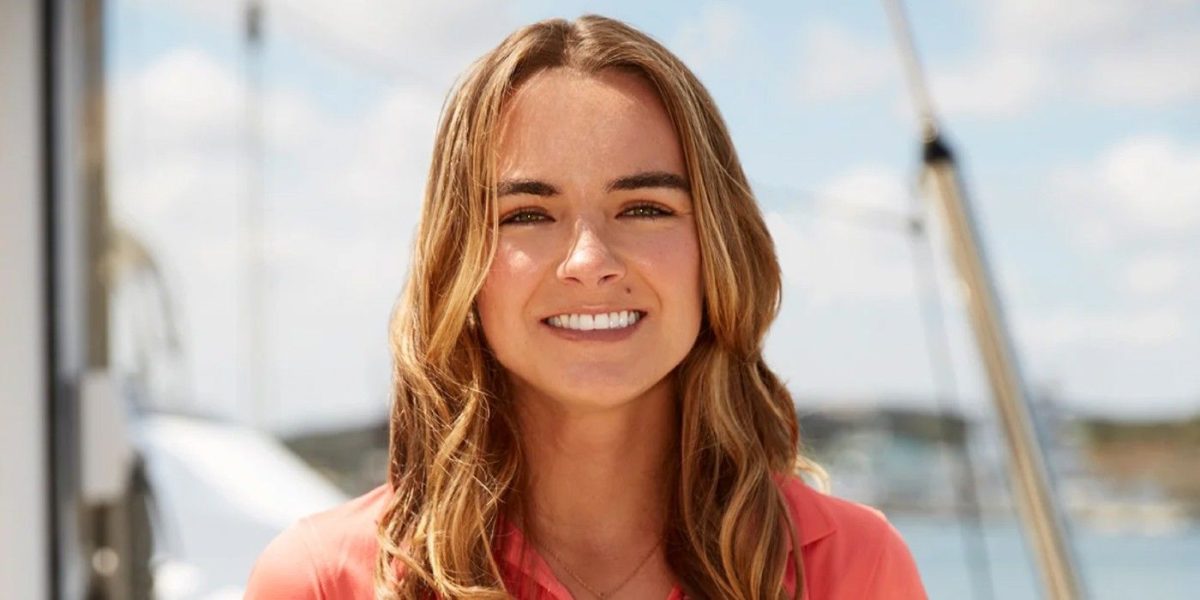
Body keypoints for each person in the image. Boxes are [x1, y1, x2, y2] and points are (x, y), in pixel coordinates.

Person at [245, 14, 926, 600]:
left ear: (717, 247)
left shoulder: (853, 569)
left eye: (644, 207)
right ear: (460, 262)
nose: (589, 261)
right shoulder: (322, 581)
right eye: (529, 214)